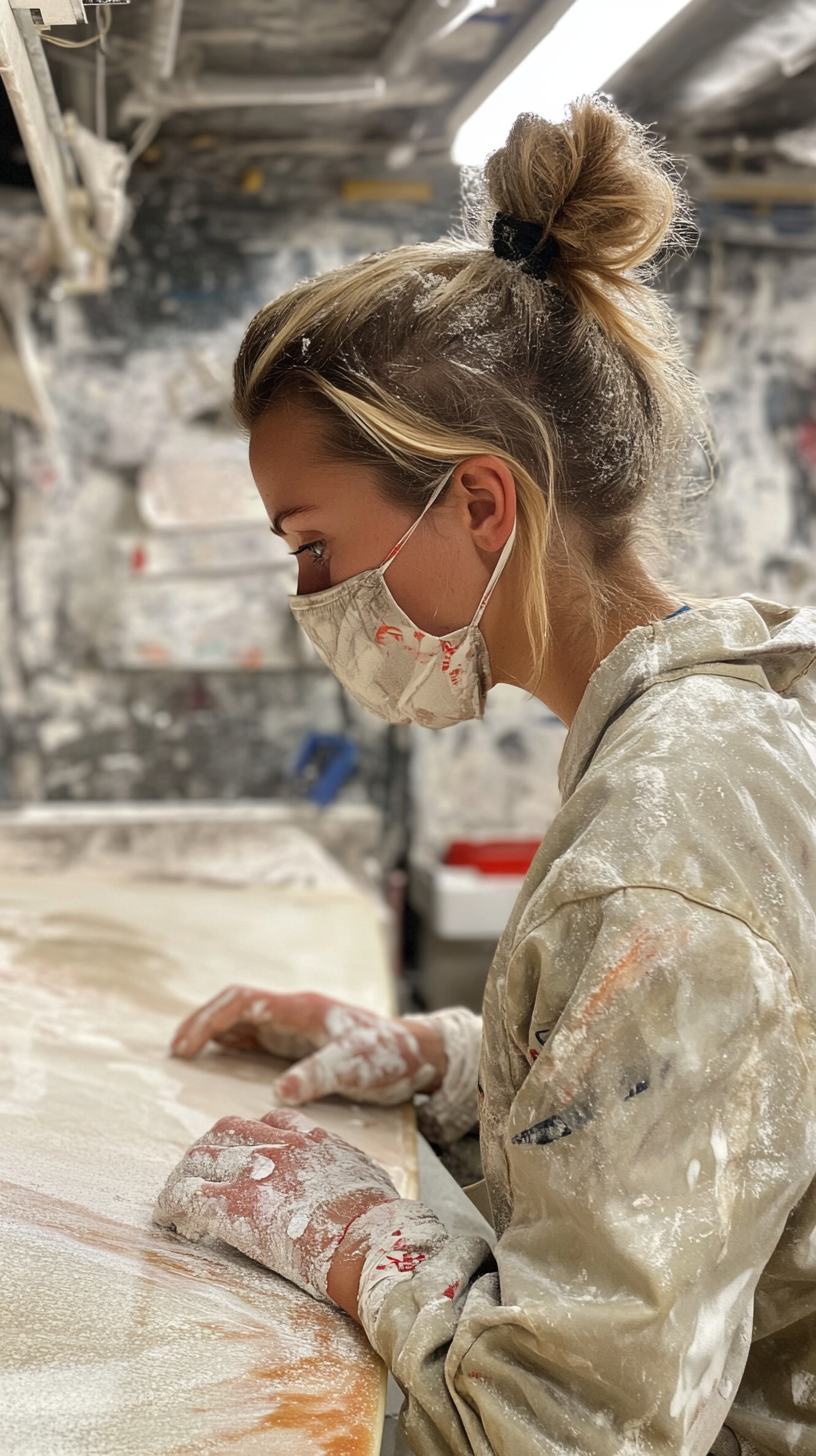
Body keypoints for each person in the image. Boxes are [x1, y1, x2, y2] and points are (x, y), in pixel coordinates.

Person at [154, 99, 816, 1456]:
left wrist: (345, 1233)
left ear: (478, 504)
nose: (310, 598)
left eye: (316, 547)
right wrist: (467, 1064)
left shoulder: (659, 852)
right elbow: (739, 1081)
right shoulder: (734, 715)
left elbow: (566, 1428)